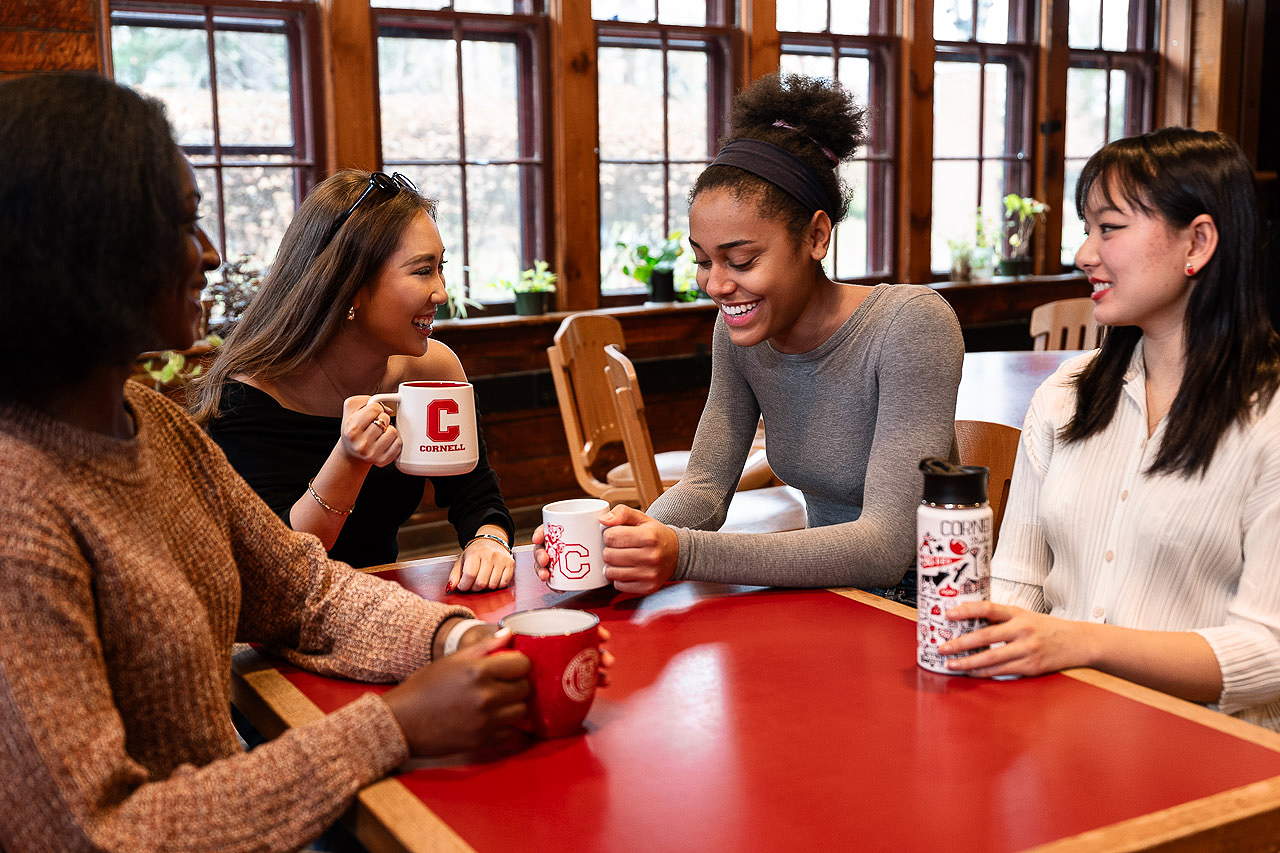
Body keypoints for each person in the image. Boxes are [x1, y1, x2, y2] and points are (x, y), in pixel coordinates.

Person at [0, 73, 533, 850]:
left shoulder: (150, 421)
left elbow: (303, 590)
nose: (209, 255)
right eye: (184, 226)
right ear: (85, 248)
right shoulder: (19, 509)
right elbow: (97, 832)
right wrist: (390, 726)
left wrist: (453, 640)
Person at [536, 73, 963, 600]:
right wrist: (623, 538)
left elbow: (884, 547)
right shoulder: (741, 333)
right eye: (702, 260)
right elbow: (705, 488)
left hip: (924, 609)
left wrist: (681, 553)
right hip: (831, 594)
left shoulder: (910, 324)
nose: (716, 285)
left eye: (741, 260)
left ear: (816, 236)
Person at [940, 128, 1280, 731]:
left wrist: (1082, 643)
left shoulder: (1268, 414)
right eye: (1087, 228)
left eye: (1109, 227)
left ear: (1197, 241)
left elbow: (1268, 652)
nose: (1083, 253)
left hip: (1216, 752)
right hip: (1061, 724)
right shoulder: (1065, 396)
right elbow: (1019, 584)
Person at [190, 169, 516, 589]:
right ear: (350, 287)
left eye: (441, 268)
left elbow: (476, 498)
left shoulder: (432, 371)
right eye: (422, 271)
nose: (441, 292)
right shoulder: (247, 395)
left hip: (385, 602)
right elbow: (281, 567)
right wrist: (349, 459)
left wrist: (489, 542)